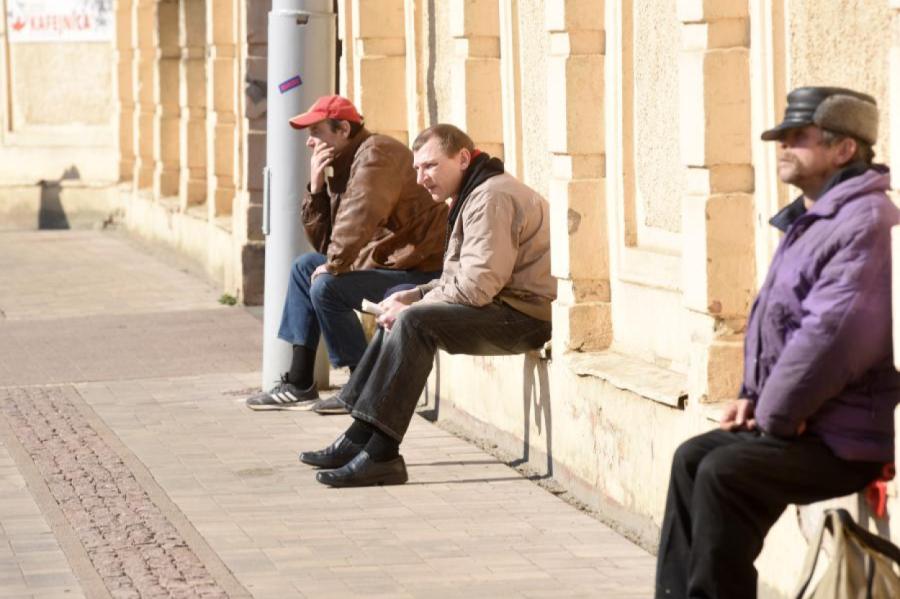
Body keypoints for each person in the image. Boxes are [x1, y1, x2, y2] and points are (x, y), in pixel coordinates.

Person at [655, 87, 900, 598]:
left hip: (847, 438)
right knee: (692, 459)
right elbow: (778, 322)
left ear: (844, 149)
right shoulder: (811, 220)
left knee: (726, 472)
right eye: (781, 138)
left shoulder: (865, 220)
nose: (783, 147)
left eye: (798, 138)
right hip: (805, 423)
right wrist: (751, 394)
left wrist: (774, 416)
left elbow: (829, 338)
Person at [298, 123, 556, 487]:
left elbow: (477, 288)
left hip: (524, 317)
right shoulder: (475, 193)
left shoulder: (490, 198)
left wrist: (414, 307)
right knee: (399, 312)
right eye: (417, 168)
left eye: (430, 166)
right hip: (503, 307)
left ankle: (382, 454)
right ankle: (359, 437)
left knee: (414, 322)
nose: (420, 179)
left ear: (463, 158)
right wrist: (412, 296)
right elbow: (463, 280)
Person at [246, 96, 447, 411]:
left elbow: (358, 217)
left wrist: (335, 265)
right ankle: (300, 382)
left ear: (342, 129)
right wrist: (315, 187)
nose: (310, 142)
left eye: (316, 132)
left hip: (419, 272)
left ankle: (361, 385)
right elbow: (326, 244)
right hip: (389, 263)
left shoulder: (377, 155)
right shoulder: (345, 163)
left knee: (327, 285)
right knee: (305, 268)